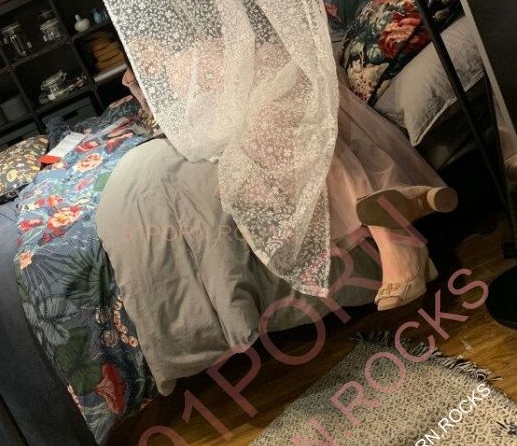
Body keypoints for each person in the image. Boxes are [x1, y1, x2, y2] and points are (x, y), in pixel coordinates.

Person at [121, 64, 457, 311]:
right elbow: (169, 122)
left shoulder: (190, 46)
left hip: (284, 67)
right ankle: (398, 223)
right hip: (264, 80)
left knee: (287, 131)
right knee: (276, 138)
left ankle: (395, 238)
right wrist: (141, 82)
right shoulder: (163, 63)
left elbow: (184, 120)